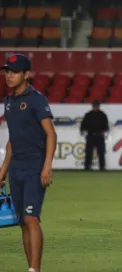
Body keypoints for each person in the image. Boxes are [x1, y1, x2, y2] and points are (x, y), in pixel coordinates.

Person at [0, 54, 57, 272]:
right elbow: (13, 139)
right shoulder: (9, 101)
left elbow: (50, 134)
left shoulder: (36, 99)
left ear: (26, 74)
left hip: (34, 167)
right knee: (22, 221)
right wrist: (3, 171)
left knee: (31, 218)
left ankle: (35, 269)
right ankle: (30, 268)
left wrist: (47, 166)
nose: (9, 76)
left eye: (13, 72)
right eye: (7, 71)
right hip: (16, 169)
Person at [80, 100, 109, 171]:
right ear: (92, 106)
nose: (95, 107)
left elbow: (106, 125)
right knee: (88, 152)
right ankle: (87, 167)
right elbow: (83, 124)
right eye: (94, 106)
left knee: (101, 152)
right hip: (90, 135)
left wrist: (104, 131)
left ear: (99, 106)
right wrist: (82, 130)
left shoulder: (102, 115)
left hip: (99, 135)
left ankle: (102, 167)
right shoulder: (88, 115)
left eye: (96, 106)